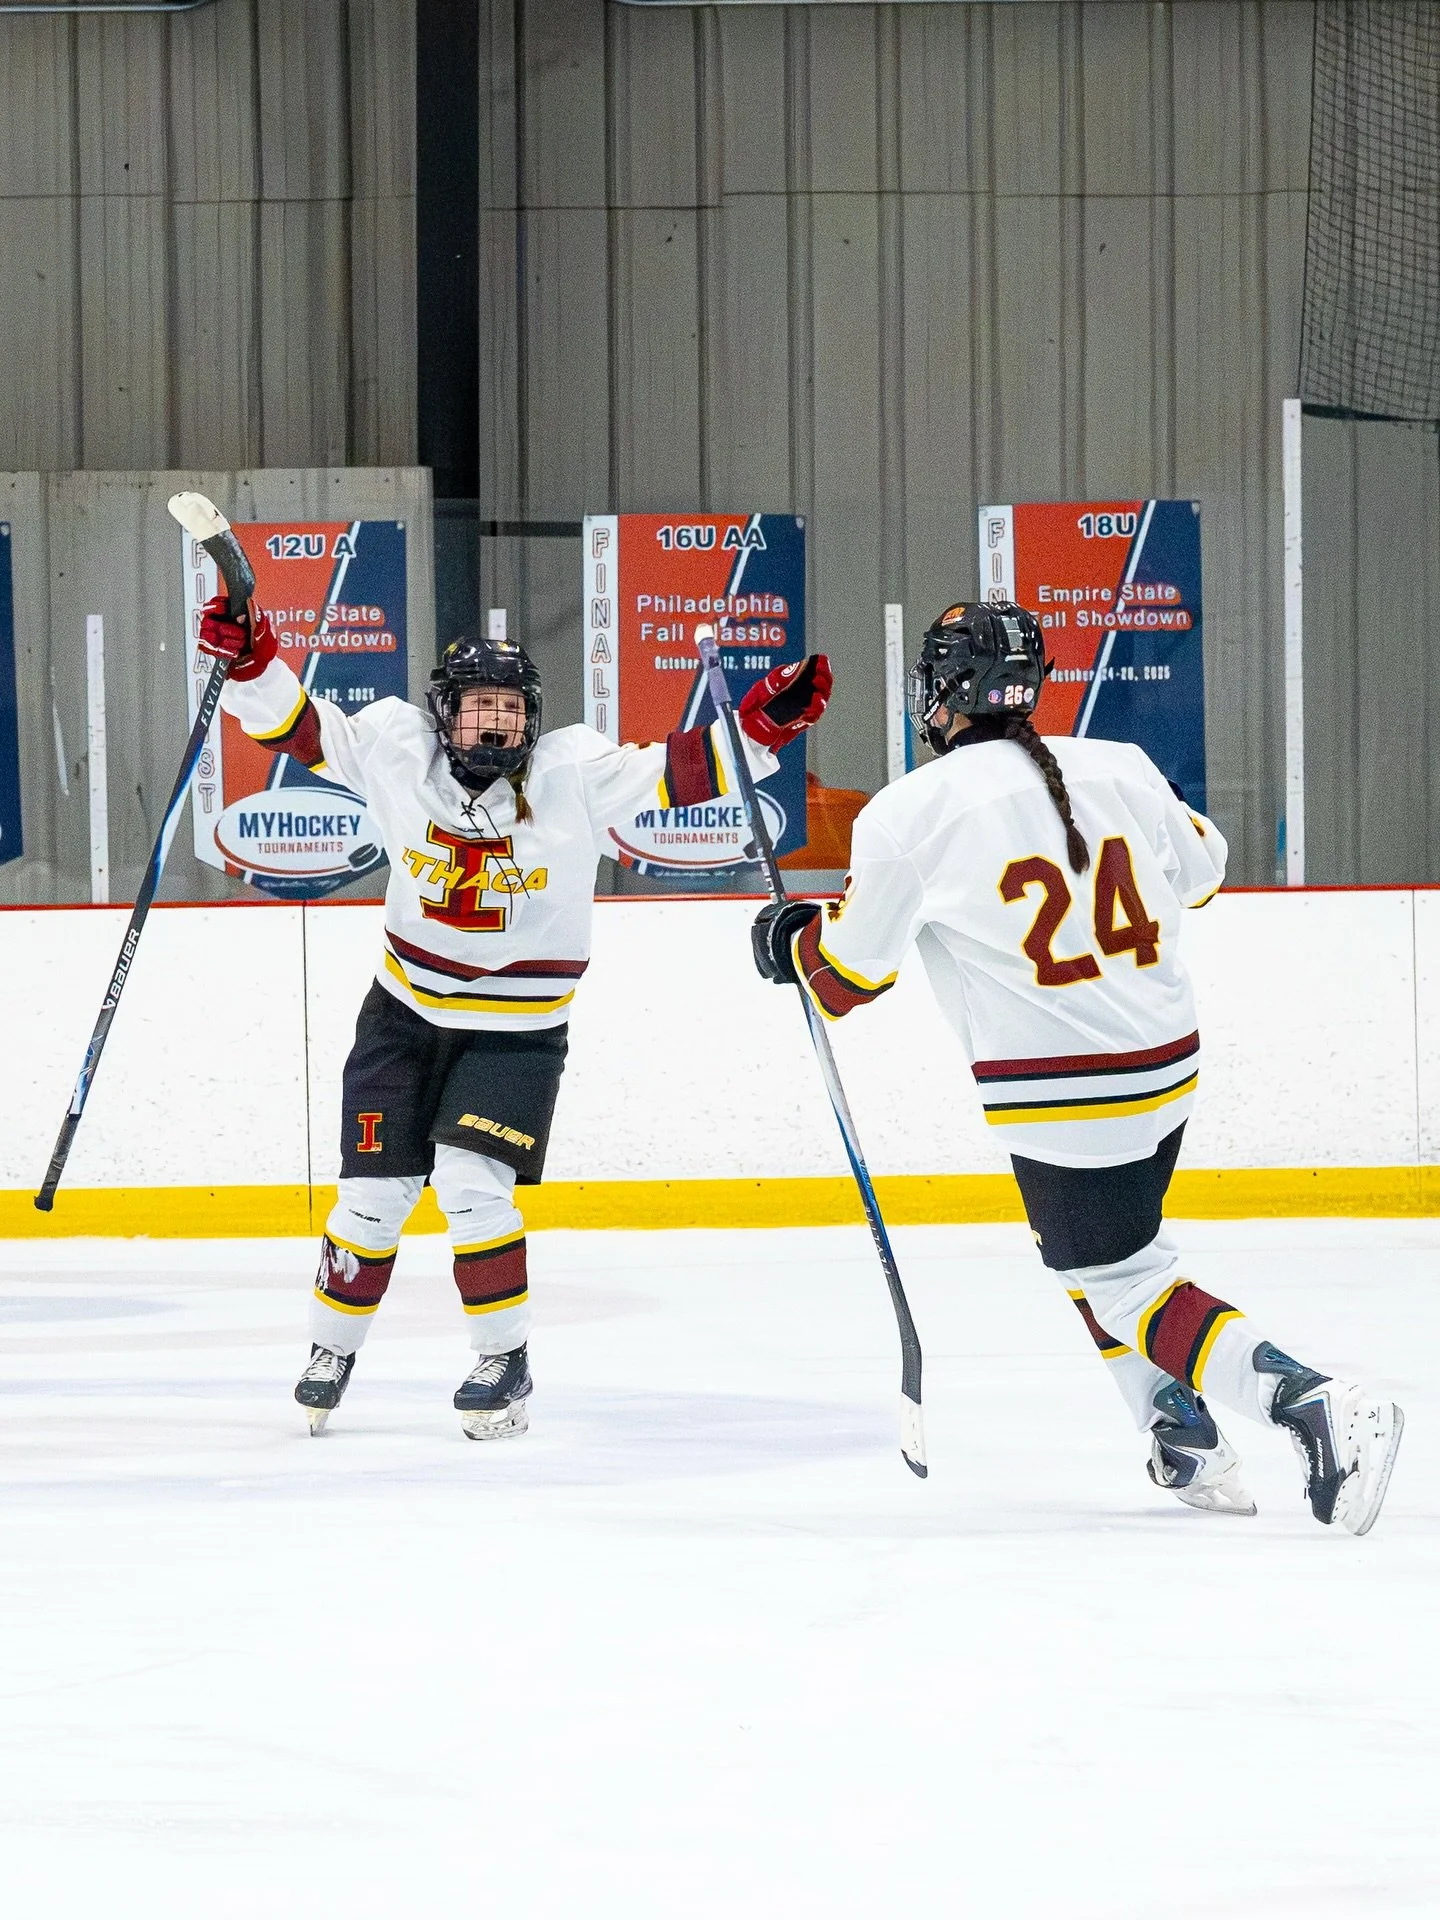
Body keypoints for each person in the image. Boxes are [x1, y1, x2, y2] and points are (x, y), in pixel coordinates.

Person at [751, 601, 1403, 1534]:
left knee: (1124, 1281)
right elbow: (1205, 871)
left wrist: (789, 941)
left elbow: (846, 979)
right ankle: (1180, 1431)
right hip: (1166, 1068)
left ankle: (1312, 1406)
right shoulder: (1118, 763)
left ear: (944, 693)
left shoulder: (911, 812)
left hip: (1062, 1092)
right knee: (1104, 1261)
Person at [197, 594, 830, 1436]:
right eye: (475, 709)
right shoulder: (396, 753)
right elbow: (302, 730)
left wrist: (764, 728)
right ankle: (332, 1349)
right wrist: (250, 664)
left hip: (519, 1032)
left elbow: (684, 770)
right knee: (371, 1201)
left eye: (508, 710)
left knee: (470, 1187)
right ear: (442, 715)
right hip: (402, 1018)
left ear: (531, 719)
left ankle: (504, 1358)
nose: (492, 727)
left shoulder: (573, 775)